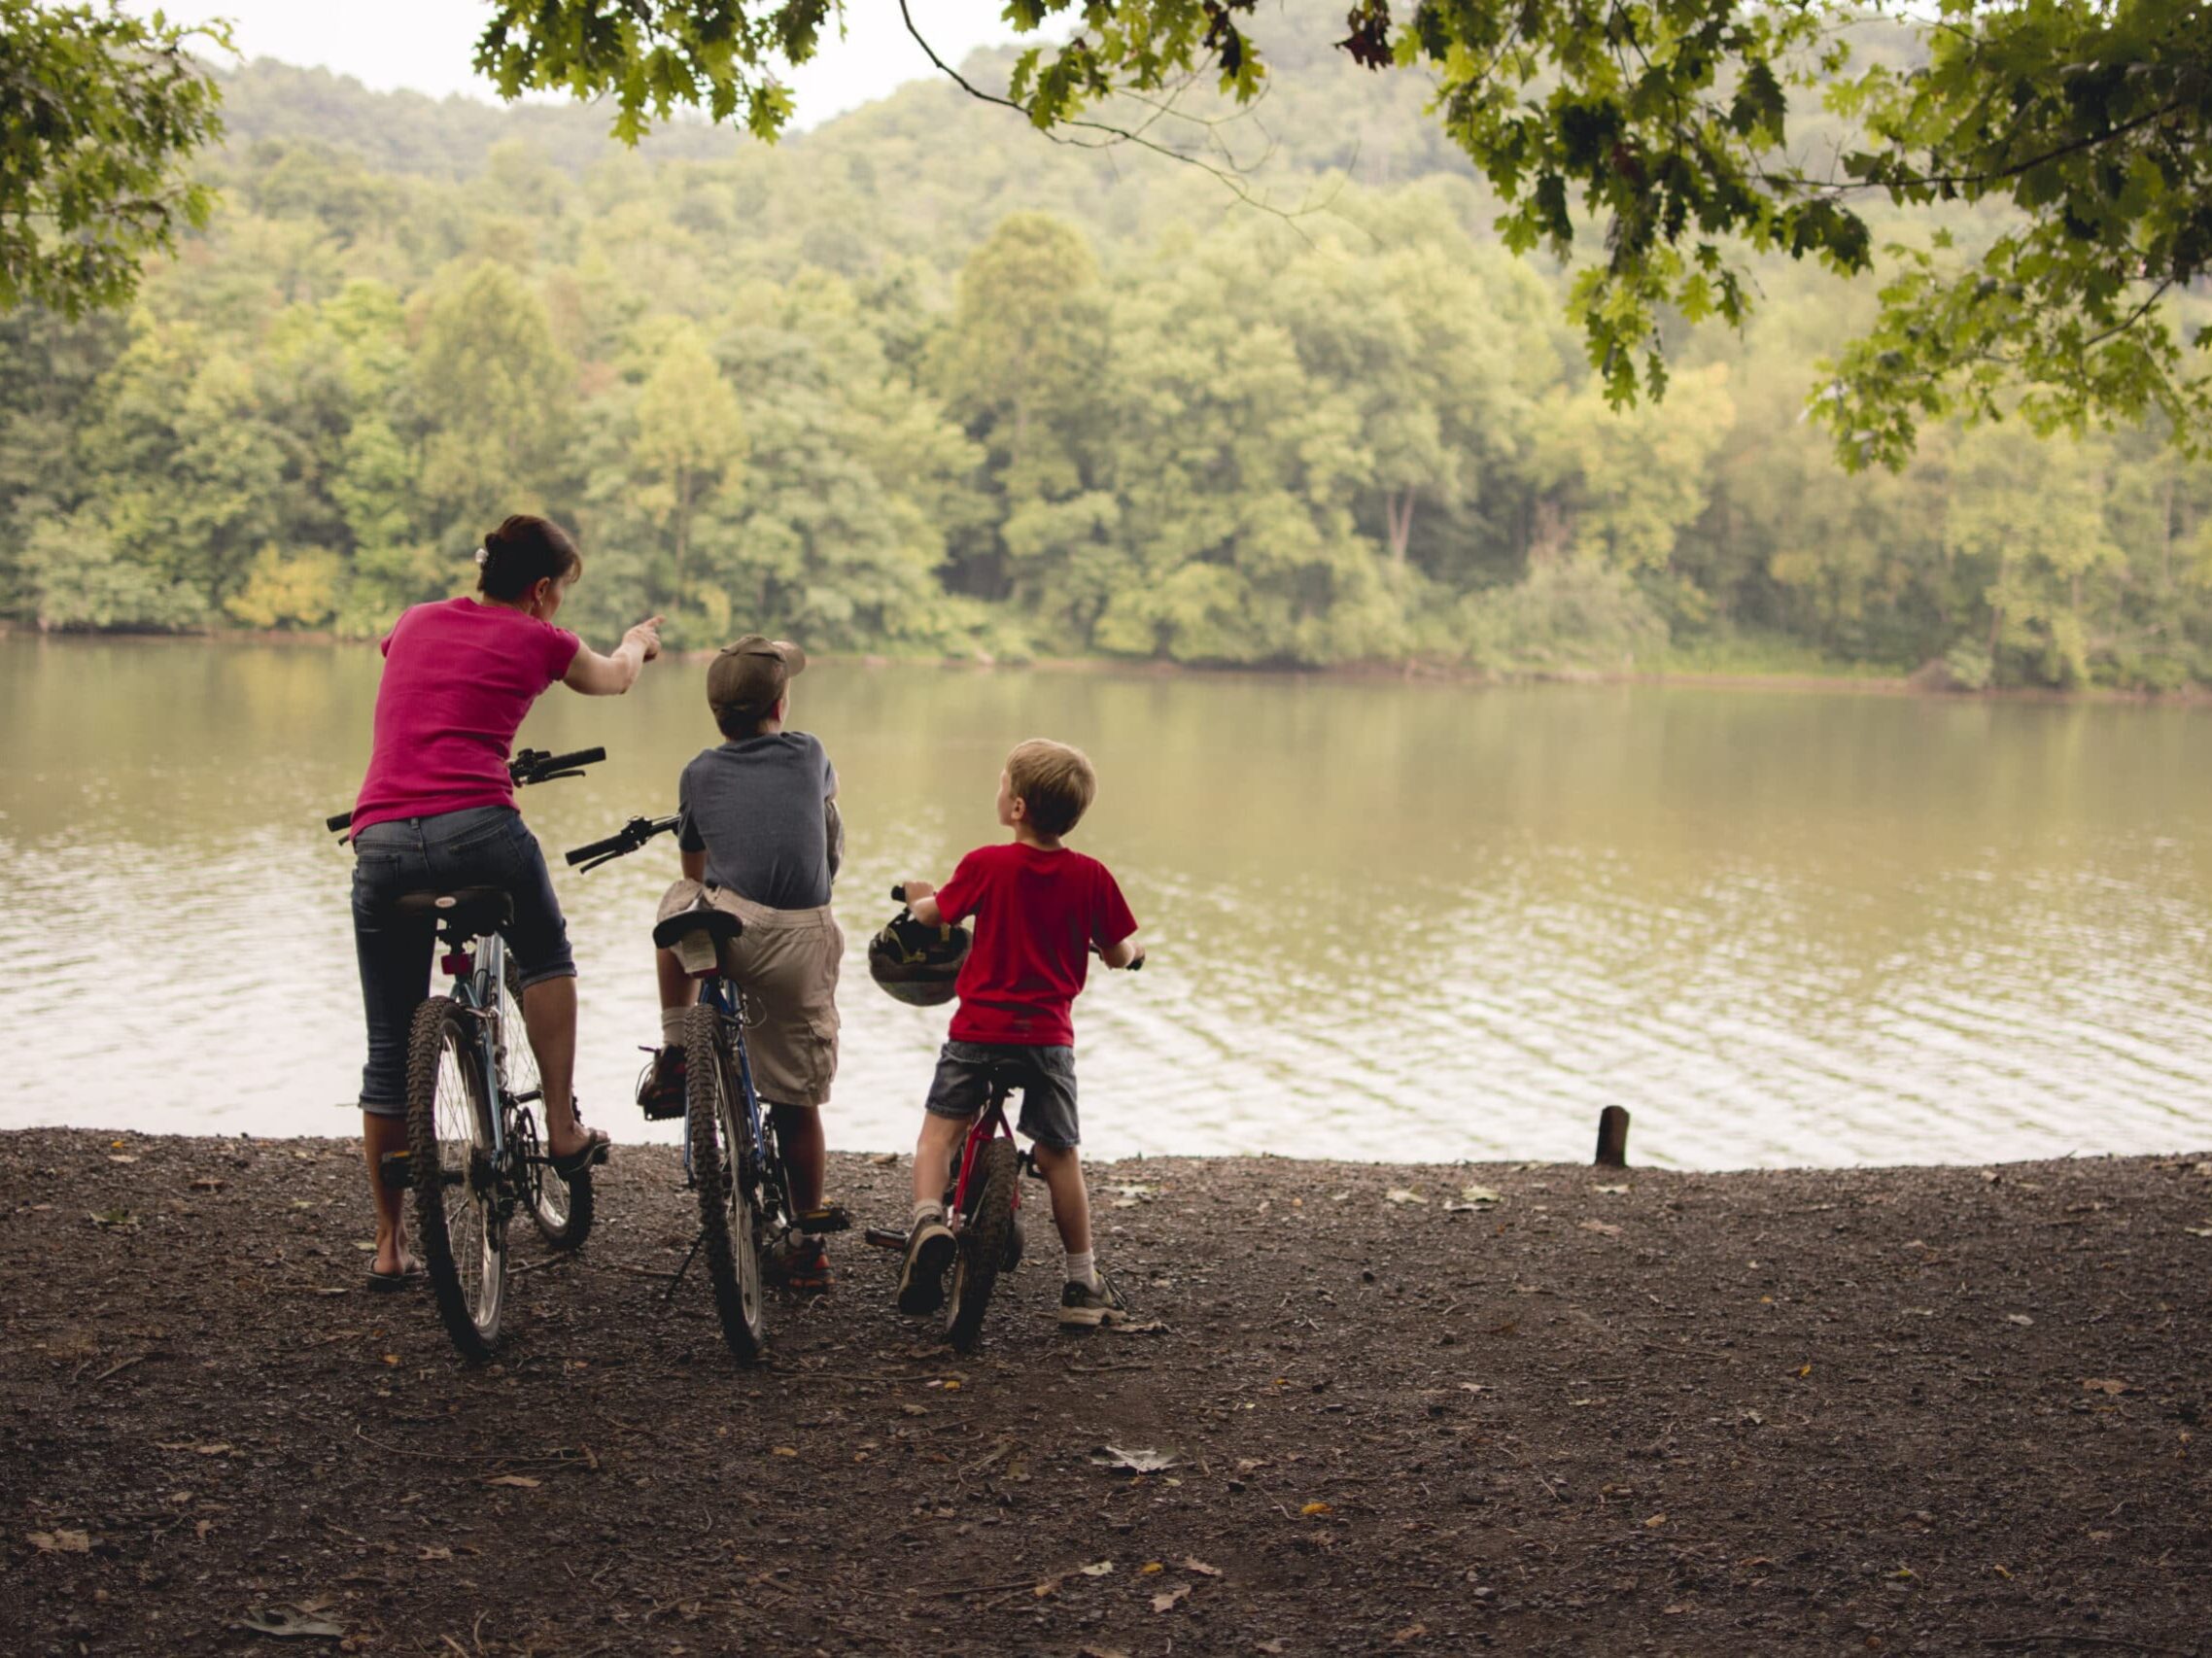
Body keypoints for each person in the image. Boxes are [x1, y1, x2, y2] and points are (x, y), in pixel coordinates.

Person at [348, 514, 661, 1290]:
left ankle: (390, 1245)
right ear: (543, 591)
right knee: (548, 954)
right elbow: (614, 678)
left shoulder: (415, 621)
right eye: (559, 595)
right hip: (480, 830)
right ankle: (559, 1126)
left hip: (381, 840)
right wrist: (637, 643)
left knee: (389, 1050)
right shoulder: (542, 639)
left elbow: (421, 678)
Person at [895, 738, 1144, 1328]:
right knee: (1060, 1157)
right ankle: (1082, 1283)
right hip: (1048, 1042)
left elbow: (935, 915)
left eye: (1003, 784)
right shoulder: (1092, 877)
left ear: (1018, 808)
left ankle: (929, 1220)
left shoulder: (985, 864)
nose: (999, 792)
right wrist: (1134, 956)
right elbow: (1117, 951)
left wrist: (918, 899)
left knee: (939, 1135)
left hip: (978, 1030)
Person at [637, 637, 846, 1290]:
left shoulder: (698, 772)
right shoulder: (810, 753)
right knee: (797, 1100)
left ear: (713, 713)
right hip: (804, 936)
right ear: (782, 704)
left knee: (680, 905)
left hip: (731, 932)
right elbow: (827, 837)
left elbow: (694, 869)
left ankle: (676, 1050)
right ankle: (808, 1244)